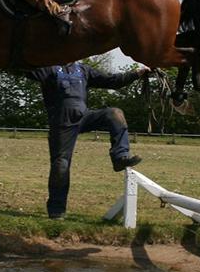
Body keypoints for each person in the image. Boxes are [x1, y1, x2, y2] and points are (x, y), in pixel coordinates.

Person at [26, 61, 149, 219]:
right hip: (61, 123)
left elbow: (112, 80)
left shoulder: (83, 69)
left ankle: (120, 157)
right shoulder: (48, 68)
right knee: (61, 164)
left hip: (84, 116)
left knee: (114, 114)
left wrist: (137, 73)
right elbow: (19, 68)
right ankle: (56, 210)